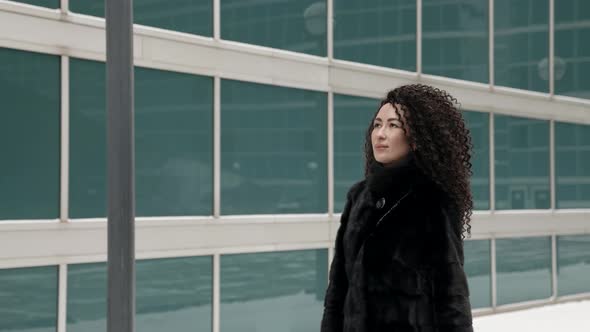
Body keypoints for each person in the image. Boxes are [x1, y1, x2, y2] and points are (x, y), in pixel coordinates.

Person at [321, 84, 474, 332]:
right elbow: (338, 287)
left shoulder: (432, 201)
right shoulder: (359, 197)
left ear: (416, 138)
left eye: (393, 125)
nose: (380, 134)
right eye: (377, 124)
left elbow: (450, 297)